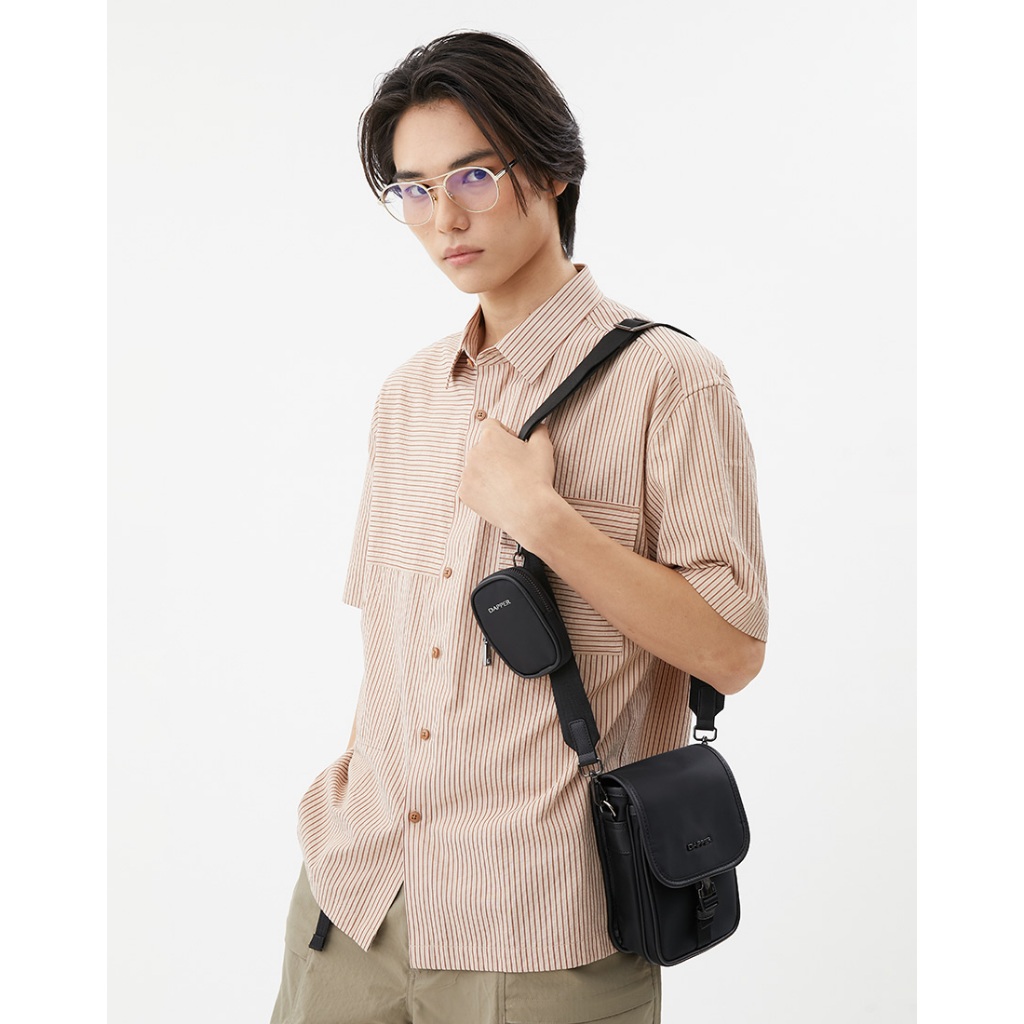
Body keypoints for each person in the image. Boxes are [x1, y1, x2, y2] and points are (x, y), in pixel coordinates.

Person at [270, 30, 768, 1024]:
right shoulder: (408, 396)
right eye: (413, 189)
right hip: (354, 903)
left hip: (541, 933)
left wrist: (544, 520)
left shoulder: (670, 384)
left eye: (473, 175)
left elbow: (731, 649)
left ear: (550, 169)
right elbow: (394, 660)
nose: (444, 217)